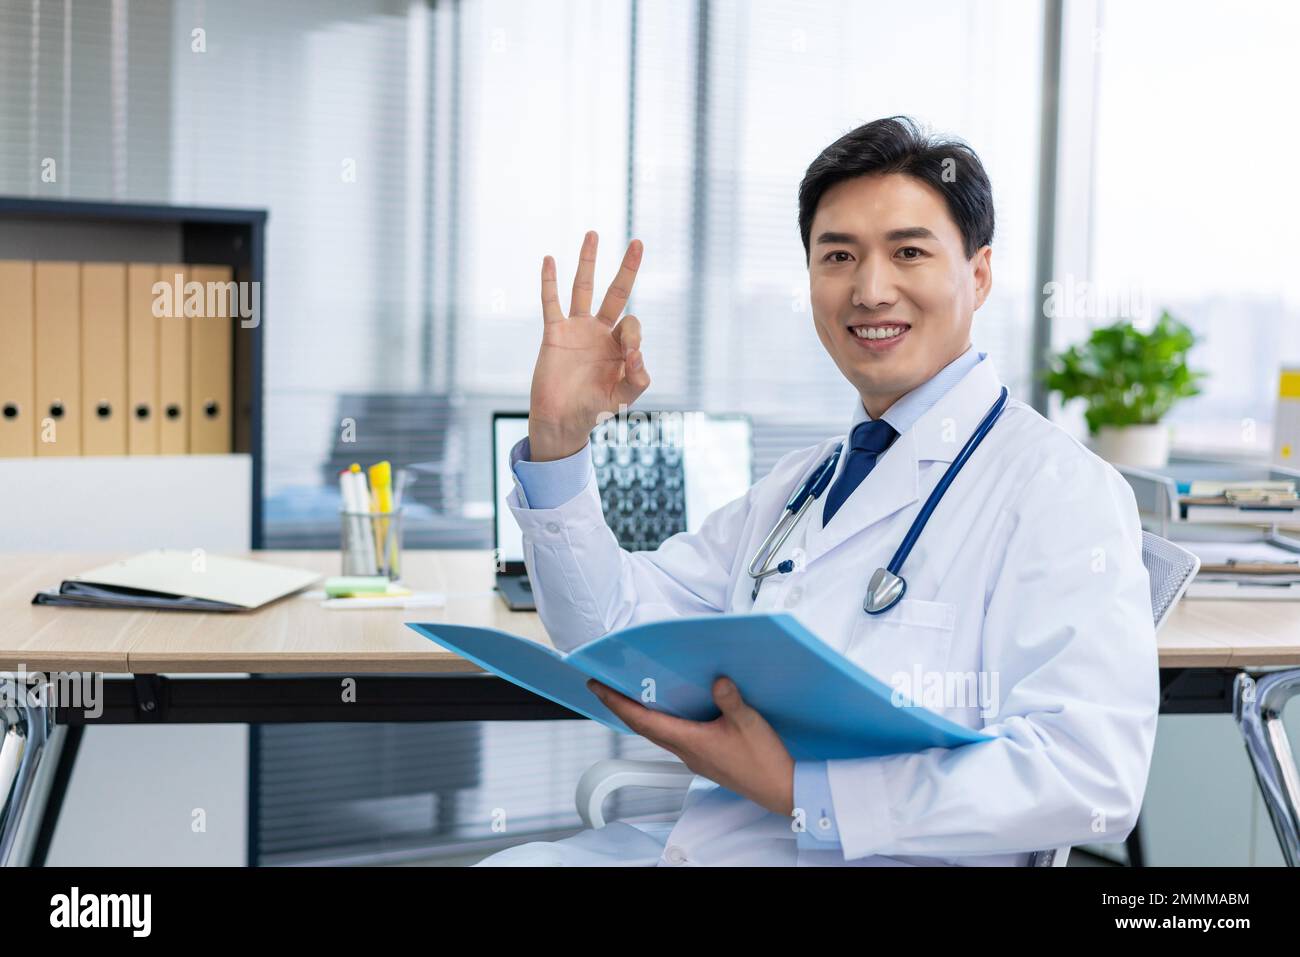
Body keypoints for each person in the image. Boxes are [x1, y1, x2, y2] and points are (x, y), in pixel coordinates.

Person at [476, 116, 1158, 867]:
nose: (870, 289)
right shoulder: (800, 487)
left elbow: (1087, 773)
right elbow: (605, 627)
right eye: (839, 255)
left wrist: (809, 791)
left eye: (909, 252)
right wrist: (559, 441)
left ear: (980, 273)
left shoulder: (1060, 490)